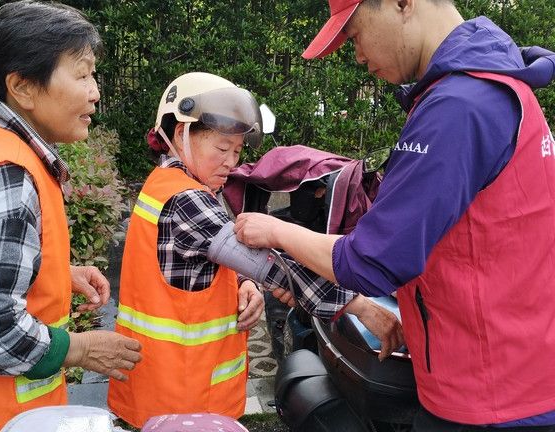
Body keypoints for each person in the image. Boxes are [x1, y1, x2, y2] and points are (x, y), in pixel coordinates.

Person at [234, 0, 555, 430]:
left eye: (355, 35)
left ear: (403, 4)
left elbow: (371, 260)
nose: (358, 55)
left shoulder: (459, 107)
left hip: (490, 395)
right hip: (517, 365)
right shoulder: (496, 87)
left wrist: (275, 230)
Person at [106, 72, 401, 428]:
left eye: (237, 151)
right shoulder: (187, 199)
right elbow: (271, 266)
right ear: (181, 133)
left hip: (164, 388)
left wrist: (243, 282)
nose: (231, 162)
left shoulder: (166, 184)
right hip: (181, 398)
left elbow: (208, 256)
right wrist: (360, 307)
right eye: (221, 148)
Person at [0, 2, 141, 430]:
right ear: (22, 87)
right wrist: (80, 349)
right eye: (81, 75)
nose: (95, 92)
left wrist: (51, 271)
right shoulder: (6, 179)